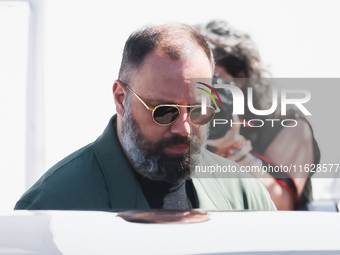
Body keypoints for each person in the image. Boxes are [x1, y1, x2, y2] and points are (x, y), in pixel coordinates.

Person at [15, 23, 276, 211]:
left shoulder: (243, 195)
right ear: (121, 98)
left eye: (197, 110)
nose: (183, 128)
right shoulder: (53, 205)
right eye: (164, 111)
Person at [196, 20, 320, 210]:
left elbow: (280, 204)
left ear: (241, 76)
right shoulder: (186, 118)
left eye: (214, 79)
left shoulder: (286, 122)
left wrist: (234, 149)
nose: (207, 90)